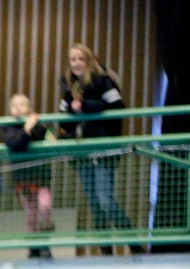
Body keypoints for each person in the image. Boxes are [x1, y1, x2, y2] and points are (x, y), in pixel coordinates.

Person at [57, 43, 138, 252]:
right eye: (72, 59)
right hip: (80, 151)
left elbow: (118, 107)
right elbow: (65, 123)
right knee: (94, 202)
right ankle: (105, 248)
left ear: (89, 61)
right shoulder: (69, 86)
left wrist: (86, 106)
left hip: (103, 147)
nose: (76, 63)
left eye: (80, 59)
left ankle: (133, 242)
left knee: (105, 199)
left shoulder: (103, 81)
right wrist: (67, 110)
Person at [4, 93, 56, 258]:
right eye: (14, 105)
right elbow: (15, 143)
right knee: (31, 214)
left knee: (44, 207)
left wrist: (33, 124)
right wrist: (26, 128)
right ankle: (35, 246)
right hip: (22, 178)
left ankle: (46, 232)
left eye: (22, 104)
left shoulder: (38, 125)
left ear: (29, 108)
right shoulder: (8, 127)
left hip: (40, 178)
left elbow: (46, 136)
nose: (18, 108)